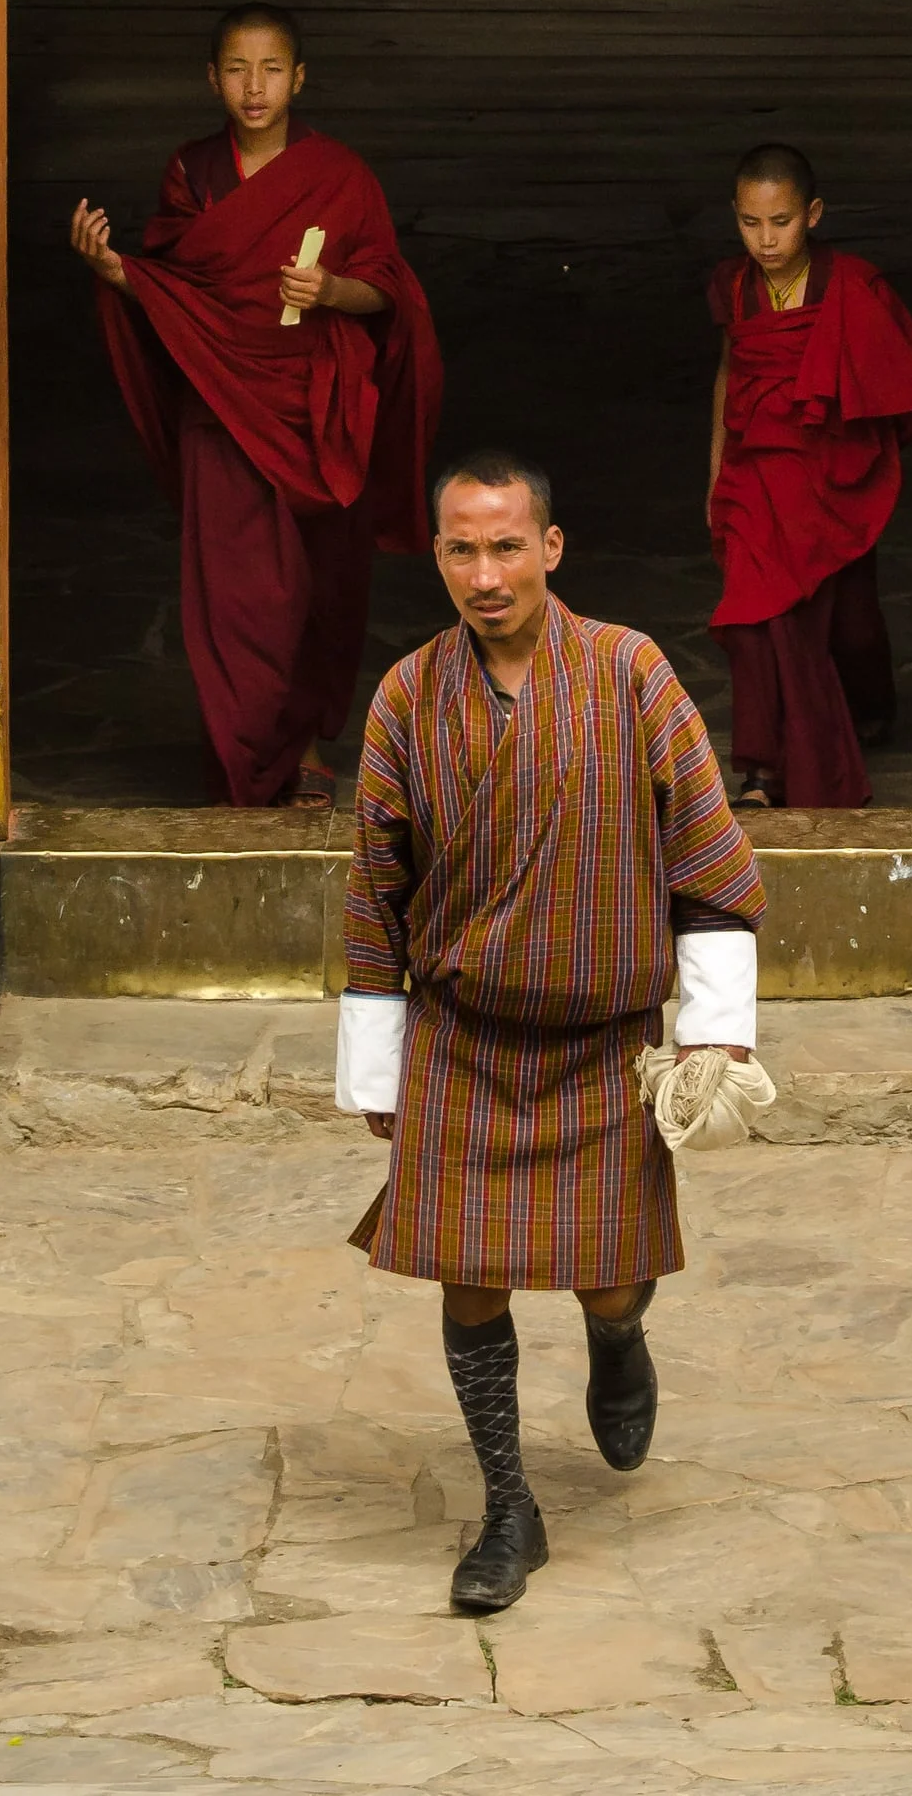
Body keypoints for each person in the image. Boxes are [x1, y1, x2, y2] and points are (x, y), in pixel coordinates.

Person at [336, 450, 763, 1616]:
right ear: (437, 557)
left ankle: (622, 1339)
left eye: (506, 546)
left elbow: (711, 866)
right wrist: (376, 1064)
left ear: (551, 549)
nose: (485, 574)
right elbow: (376, 889)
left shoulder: (631, 674)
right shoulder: (407, 699)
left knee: (608, 1284)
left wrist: (714, 1034)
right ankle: (507, 1505)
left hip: (605, 1045)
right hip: (462, 1041)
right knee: (468, 1285)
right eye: (462, 549)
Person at [72, 7, 441, 808]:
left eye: (271, 69)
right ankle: (242, 761)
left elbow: (390, 287)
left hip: (315, 409)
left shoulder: (340, 175)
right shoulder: (193, 173)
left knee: (316, 588)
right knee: (235, 600)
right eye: (236, 69)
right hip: (222, 405)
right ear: (212, 79)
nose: (253, 87)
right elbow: (177, 289)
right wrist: (113, 271)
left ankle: (304, 743)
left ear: (299, 78)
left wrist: (332, 290)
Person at [706, 142, 912, 811]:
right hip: (754, 475)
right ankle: (760, 769)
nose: (766, 239)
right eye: (751, 223)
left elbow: (892, 379)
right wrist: (714, 471)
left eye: (780, 221)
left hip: (827, 476)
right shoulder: (732, 285)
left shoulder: (853, 285)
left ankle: (871, 707)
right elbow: (732, 375)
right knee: (757, 621)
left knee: (847, 622)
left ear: (812, 213)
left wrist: (860, 466)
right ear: (736, 216)